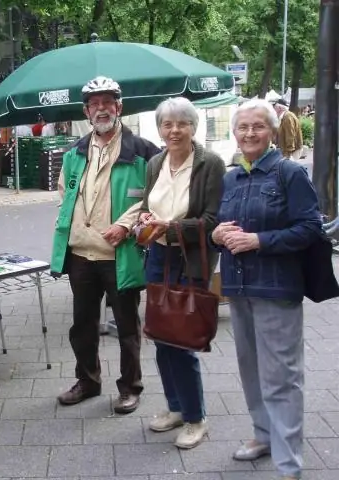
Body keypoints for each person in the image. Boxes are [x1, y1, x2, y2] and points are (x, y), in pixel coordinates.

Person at [211, 98, 322, 480]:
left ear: (272, 132)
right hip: (239, 286)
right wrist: (216, 234)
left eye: (258, 126)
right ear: (235, 133)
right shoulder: (231, 177)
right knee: (251, 370)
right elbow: (221, 229)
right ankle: (263, 435)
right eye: (242, 127)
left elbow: (310, 228)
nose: (249, 133)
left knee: (282, 376)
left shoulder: (289, 173)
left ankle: (288, 463)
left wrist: (260, 241)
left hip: (276, 288)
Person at [51, 76, 160, 413]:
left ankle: (130, 387)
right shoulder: (74, 153)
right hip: (81, 252)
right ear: (86, 111)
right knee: (82, 325)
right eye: (94, 103)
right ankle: (88, 381)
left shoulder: (144, 152)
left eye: (107, 102)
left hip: (120, 254)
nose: (102, 108)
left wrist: (126, 224)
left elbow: (156, 198)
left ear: (119, 107)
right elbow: (65, 193)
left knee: (127, 326)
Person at [138, 97, 226, 449]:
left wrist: (170, 228)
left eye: (182, 124)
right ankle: (176, 407)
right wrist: (145, 219)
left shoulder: (211, 164)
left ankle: (195, 417)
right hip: (158, 258)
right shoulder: (156, 162)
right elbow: (148, 205)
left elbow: (212, 220)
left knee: (183, 338)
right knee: (161, 334)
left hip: (191, 261)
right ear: (159, 129)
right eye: (167, 124)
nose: (174, 130)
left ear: (194, 127)